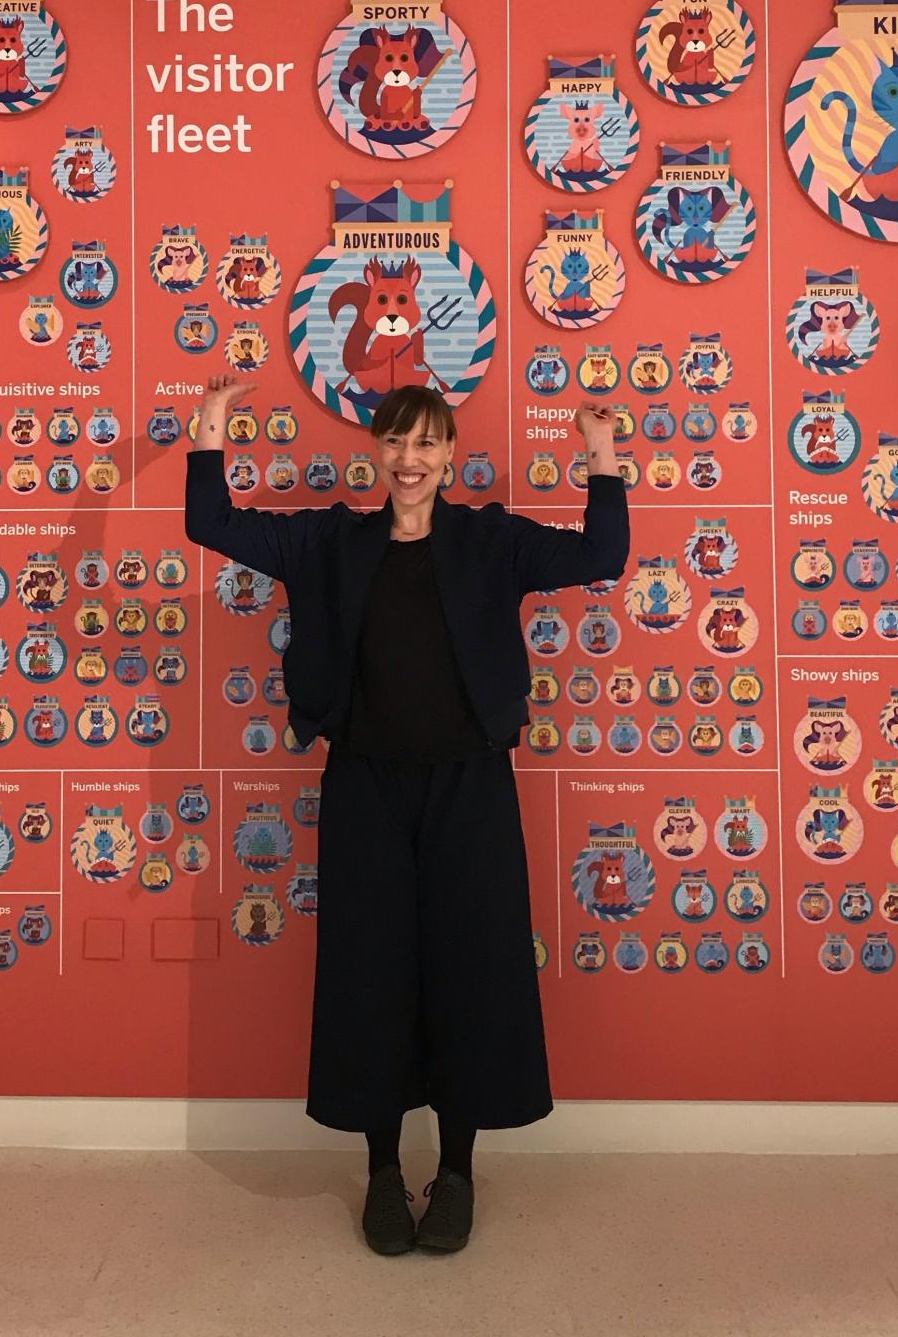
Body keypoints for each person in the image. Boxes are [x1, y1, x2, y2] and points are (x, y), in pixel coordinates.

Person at [184, 373, 630, 1256]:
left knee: (471, 973)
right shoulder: (332, 545)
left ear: (450, 455)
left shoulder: (490, 543)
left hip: (470, 789)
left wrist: (601, 456)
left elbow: (600, 557)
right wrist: (208, 431)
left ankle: (456, 1173)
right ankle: (384, 1174)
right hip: (366, 791)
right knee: (368, 977)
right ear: (377, 452)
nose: (410, 458)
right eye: (395, 441)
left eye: (426, 443)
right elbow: (213, 526)